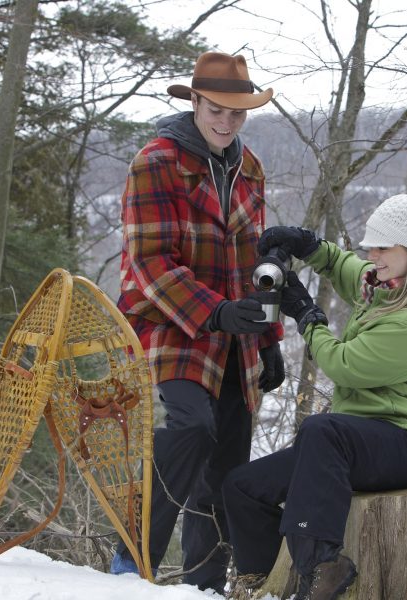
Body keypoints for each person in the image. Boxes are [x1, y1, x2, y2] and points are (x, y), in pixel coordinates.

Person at [222, 184, 407, 600]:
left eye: (383, 248)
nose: (372, 256)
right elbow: (347, 267)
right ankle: (264, 584)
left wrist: (308, 316)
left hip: (405, 443)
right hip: (351, 442)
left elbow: (342, 365)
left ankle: (322, 568)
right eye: (372, 247)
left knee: (320, 430)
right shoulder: (382, 285)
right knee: (242, 487)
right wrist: (308, 244)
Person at [112, 51, 285, 594]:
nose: (226, 122)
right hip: (169, 326)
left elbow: (259, 259)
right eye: (216, 109)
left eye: (237, 113)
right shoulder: (157, 161)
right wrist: (213, 310)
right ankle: (131, 558)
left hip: (236, 338)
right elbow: (150, 262)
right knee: (189, 427)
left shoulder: (250, 167)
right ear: (194, 102)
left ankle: (204, 586)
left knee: (228, 466)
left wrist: (271, 339)